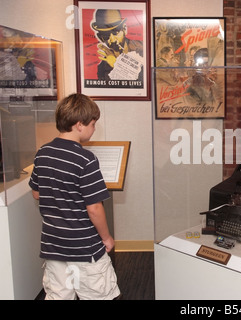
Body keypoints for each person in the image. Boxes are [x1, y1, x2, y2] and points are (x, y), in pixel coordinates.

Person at [29, 93, 120, 300]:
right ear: (80, 124)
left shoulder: (43, 152)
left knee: (58, 295)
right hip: (85, 247)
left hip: (53, 245)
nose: (94, 129)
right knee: (99, 294)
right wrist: (106, 238)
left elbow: (36, 193)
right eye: (93, 124)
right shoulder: (86, 159)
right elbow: (94, 207)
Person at [91, 9, 144, 80]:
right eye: (106, 35)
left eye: (116, 32)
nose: (112, 40)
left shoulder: (142, 48)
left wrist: (116, 65)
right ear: (101, 38)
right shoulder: (102, 67)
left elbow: (143, 81)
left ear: (124, 29)